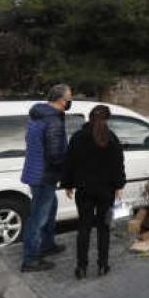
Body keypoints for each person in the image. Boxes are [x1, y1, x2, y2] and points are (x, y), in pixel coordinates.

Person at [61, 104, 126, 278]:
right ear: (107, 119)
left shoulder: (78, 137)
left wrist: (67, 184)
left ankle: (81, 267)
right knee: (104, 228)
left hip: (84, 190)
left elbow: (69, 163)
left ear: (89, 118)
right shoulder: (112, 139)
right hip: (106, 192)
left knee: (84, 227)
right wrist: (119, 186)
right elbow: (118, 166)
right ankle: (103, 266)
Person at [19, 84, 73, 272]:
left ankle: (47, 244)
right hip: (45, 174)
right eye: (68, 99)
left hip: (36, 171)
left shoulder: (37, 116)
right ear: (60, 100)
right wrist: (68, 171)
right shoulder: (53, 121)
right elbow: (56, 154)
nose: (69, 102)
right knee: (38, 216)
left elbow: (30, 140)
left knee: (50, 207)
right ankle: (31, 259)